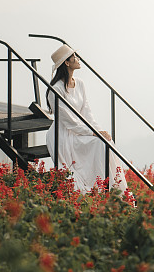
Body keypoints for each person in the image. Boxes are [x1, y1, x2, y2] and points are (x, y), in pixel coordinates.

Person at [45, 44, 129, 195]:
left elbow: (87, 112)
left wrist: (98, 130)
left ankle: (111, 189)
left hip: (81, 129)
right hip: (64, 134)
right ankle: (99, 188)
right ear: (67, 62)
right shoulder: (55, 90)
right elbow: (68, 121)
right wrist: (92, 133)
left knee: (106, 142)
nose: (78, 59)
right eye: (74, 57)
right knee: (98, 143)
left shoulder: (80, 84)